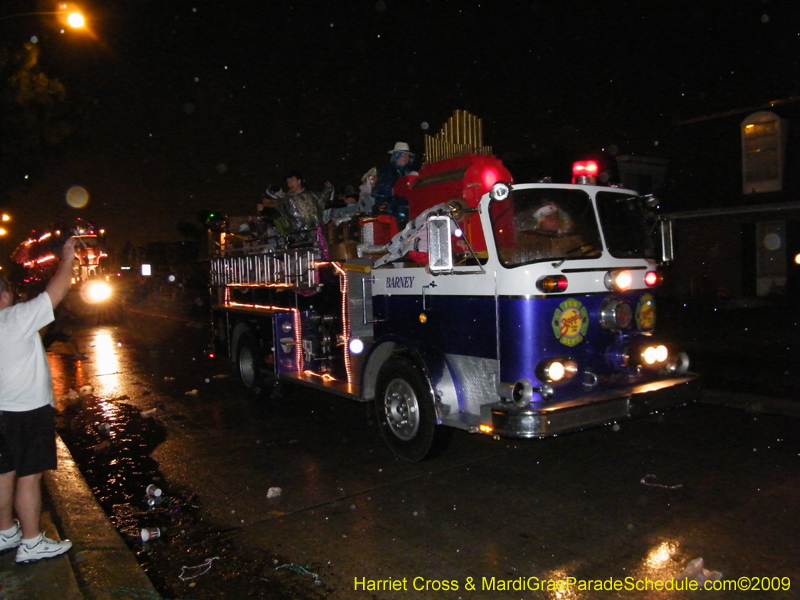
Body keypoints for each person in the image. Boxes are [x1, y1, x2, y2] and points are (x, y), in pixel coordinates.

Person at [0, 237, 76, 563]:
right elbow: (55, 293)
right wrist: (68, 259)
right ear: (5, 295)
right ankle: (31, 542)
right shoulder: (14, 318)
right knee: (29, 476)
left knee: (3, 473)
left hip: (1, 412)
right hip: (27, 412)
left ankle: (5, 531)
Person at [372, 142, 415, 228]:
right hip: (389, 204)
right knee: (402, 212)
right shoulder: (387, 170)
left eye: (407, 155)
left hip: (402, 202)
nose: (406, 158)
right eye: (403, 155)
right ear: (397, 155)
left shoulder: (408, 171)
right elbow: (382, 190)